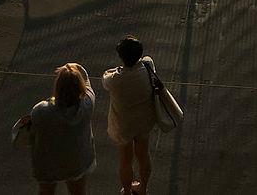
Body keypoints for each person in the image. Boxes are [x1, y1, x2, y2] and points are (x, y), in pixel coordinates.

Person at [29, 62, 96, 195]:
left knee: (46, 191)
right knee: (78, 192)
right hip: (77, 160)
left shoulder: (41, 110)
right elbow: (87, 81)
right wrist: (76, 67)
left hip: (48, 162)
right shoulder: (87, 105)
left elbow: (33, 128)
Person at [103, 35, 159, 195]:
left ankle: (127, 191)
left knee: (125, 160)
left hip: (123, 125)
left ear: (121, 57)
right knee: (143, 155)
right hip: (143, 121)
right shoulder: (148, 67)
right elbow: (147, 59)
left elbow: (105, 77)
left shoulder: (115, 80)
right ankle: (143, 188)